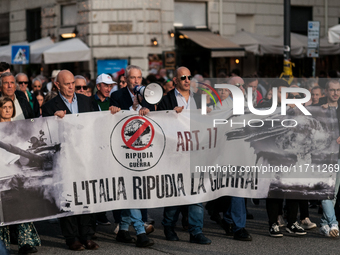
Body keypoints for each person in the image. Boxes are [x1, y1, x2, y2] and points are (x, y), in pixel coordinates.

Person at [41, 70, 99, 251]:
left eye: (73, 82)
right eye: (67, 83)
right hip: (63, 159)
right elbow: (45, 132)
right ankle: (72, 237)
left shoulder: (86, 100)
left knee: (86, 195)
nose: (71, 86)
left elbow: (98, 123)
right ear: (57, 85)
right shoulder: (50, 106)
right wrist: (52, 119)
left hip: (84, 156)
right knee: (67, 197)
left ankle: (87, 235)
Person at [157, 66, 211, 244]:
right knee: (175, 192)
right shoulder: (166, 100)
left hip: (197, 152)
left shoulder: (200, 99)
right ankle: (169, 226)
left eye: (189, 77)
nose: (187, 80)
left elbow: (208, 123)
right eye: (183, 78)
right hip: (175, 153)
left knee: (196, 194)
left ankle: (196, 231)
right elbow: (159, 124)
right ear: (175, 81)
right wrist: (171, 114)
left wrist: (209, 113)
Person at [257, 79, 307, 238]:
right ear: (273, 92)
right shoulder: (265, 106)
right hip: (272, 154)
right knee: (275, 189)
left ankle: (292, 222)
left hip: (291, 153)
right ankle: (273, 223)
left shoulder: (294, 108)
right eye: (280, 92)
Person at [0, 96, 41, 253]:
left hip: (18, 172)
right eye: (4, 107)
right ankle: (3, 245)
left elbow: (25, 149)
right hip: (1, 173)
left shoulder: (20, 127)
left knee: (22, 207)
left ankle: (26, 243)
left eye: (10, 107)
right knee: (2, 212)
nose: (7, 110)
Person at [317, 79, 340, 237]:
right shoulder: (319, 110)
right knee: (327, 192)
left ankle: (324, 224)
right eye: (332, 90)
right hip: (324, 156)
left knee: (335, 192)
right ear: (326, 92)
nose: (335, 93)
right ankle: (333, 224)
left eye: (338, 90)